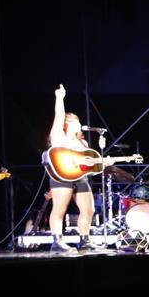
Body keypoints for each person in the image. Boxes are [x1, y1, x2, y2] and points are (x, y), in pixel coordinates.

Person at [46, 84, 100, 253]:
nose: (78, 123)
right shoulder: (58, 136)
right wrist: (60, 98)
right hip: (61, 176)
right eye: (74, 121)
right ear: (66, 124)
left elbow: (88, 164)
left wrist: (102, 163)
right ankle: (57, 240)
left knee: (89, 209)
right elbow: (59, 115)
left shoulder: (82, 143)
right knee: (59, 209)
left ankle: (84, 240)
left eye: (78, 121)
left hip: (80, 177)